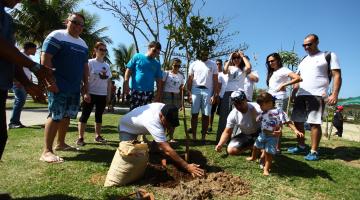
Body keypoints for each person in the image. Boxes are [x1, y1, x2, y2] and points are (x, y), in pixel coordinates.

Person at [1, 0, 56, 161]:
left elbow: (10, 56)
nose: (19, 1)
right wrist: (35, 67)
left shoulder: (7, 19)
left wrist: (28, 83)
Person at [39, 13, 89, 163]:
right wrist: (49, 81)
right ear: (67, 21)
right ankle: (46, 151)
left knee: (67, 116)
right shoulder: (57, 36)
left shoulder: (83, 44)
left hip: (74, 87)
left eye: (81, 25)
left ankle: (61, 143)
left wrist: (86, 85)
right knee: (55, 115)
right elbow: (45, 58)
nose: (78, 26)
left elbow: (85, 67)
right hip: (58, 84)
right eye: (75, 22)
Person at [289, 33, 342, 161]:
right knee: (297, 120)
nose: (306, 47)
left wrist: (334, 94)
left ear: (317, 42)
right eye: (304, 45)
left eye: (309, 44)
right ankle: (301, 146)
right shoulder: (303, 59)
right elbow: (298, 77)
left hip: (317, 94)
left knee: (314, 123)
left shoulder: (328, 55)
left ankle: (314, 151)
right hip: (301, 94)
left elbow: (337, 75)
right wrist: (293, 92)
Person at [118, 103, 205, 177]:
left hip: (139, 121)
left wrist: (169, 126)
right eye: (168, 123)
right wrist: (187, 166)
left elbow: (166, 126)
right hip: (126, 127)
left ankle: (154, 154)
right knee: (129, 156)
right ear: (160, 116)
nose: (169, 126)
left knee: (155, 149)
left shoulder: (165, 108)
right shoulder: (153, 121)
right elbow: (167, 149)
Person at [246, 92, 303, 176]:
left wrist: (295, 130)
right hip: (262, 134)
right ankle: (253, 157)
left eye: (261, 105)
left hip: (273, 137)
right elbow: (258, 119)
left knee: (269, 154)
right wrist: (256, 115)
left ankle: (266, 169)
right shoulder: (264, 112)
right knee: (255, 147)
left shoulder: (279, 111)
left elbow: (288, 121)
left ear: (269, 103)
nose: (260, 107)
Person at [266, 52, 302, 153]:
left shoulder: (284, 69)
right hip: (271, 98)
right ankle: (271, 145)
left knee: (278, 122)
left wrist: (284, 85)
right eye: (269, 61)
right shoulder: (272, 72)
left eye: (272, 61)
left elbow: (298, 78)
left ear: (278, 60)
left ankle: (276, 148)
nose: (270, 63)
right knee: (271, 122)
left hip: (280, 98)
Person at [76, 42, 111, 146]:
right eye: (101, 49)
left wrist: (108, 96)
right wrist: (85, 93)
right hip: (90, 93)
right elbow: (83, 78)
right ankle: (80, 138)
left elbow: (108, 82)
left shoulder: (107, 65)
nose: (103, 52)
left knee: (99, 116)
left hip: (102, 94)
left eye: (105, 50)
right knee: (85, 115)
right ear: (95, 50)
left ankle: (98, 136)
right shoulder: (90, 62)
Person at [216, 51, 251, 143]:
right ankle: (221, 139)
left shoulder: (243, 68)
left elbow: (249, 67)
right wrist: (229, 57)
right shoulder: (230, 67)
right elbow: (224, 70)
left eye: (237, 58)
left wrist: (243, 56)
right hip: (228, 93)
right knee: (224, 116)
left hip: (239, 93)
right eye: (234, 58)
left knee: (237, 116)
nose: (236, 59)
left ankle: (235, 139)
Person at [215, 90, 261, 155]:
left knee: (263, 151)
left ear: (246, 100)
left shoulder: (257, 107)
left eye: (240, 103)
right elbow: (227, 132)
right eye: (236, 104)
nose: (239, 106)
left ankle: (258, 147)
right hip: (246, 134)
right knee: (231, 150)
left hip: (260, 134)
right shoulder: (233, 114)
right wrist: (220, 144)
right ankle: (252, 146)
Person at [187, 48, 218, 141]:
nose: (205, 54)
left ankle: (203, 137)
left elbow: (215, 80)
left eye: (206, 52)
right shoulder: (193, 64)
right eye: (203, 53)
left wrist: (214, 95)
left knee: (206, 115)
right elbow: (190, 79)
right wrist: (189, 93)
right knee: (194, 114)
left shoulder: (213, 64)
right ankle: (194, 137)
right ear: (199, 53)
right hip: (195, 90)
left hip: (208, 91)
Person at [123, 41, 163, 110]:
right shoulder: (137, 56)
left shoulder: (157, 64)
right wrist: (126, 84)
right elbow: (128, 71)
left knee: (146, 117)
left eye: (158, 53)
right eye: (154, 51)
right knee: (134, 114)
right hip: (135, 91)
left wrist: (158, 94)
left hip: (149, 93)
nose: (155, 54)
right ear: (149, 48)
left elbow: (159, 80)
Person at [8, 42, 37, 129]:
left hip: (25, 83)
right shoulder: (19, 55)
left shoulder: (28, 57)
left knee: (21, 101)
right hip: (19, 83)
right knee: (20, 100)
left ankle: (16, 121)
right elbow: (12, 68)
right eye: (35, 49)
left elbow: (28, 72)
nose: (36, 51)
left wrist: (30, 82)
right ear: (30, 48)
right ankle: (13, 122)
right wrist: (15, 80)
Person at [161, 58, 184, 142]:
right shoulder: (166, 73)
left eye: (179, 66)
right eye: (175, 65)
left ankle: (171, 137)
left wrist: (182, 102)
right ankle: (162, 137)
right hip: (166, 96)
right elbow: (161, 85)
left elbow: (181, 89)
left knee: (174, 118)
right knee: (164, 117)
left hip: (176, 97)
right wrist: (159, 97)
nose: (177, 67)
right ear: (172, 65)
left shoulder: (181, 76)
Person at [208, 59, 223, 133]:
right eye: (217, 64)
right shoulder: (213, 73)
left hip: (222, 95)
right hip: (214, 94)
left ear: (222, 64)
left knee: (221, 112)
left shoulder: (224, 73)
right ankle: (210, 126)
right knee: (211, 111)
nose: (218, 65)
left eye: (219, 64)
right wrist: (214, 94)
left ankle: (221, 128)